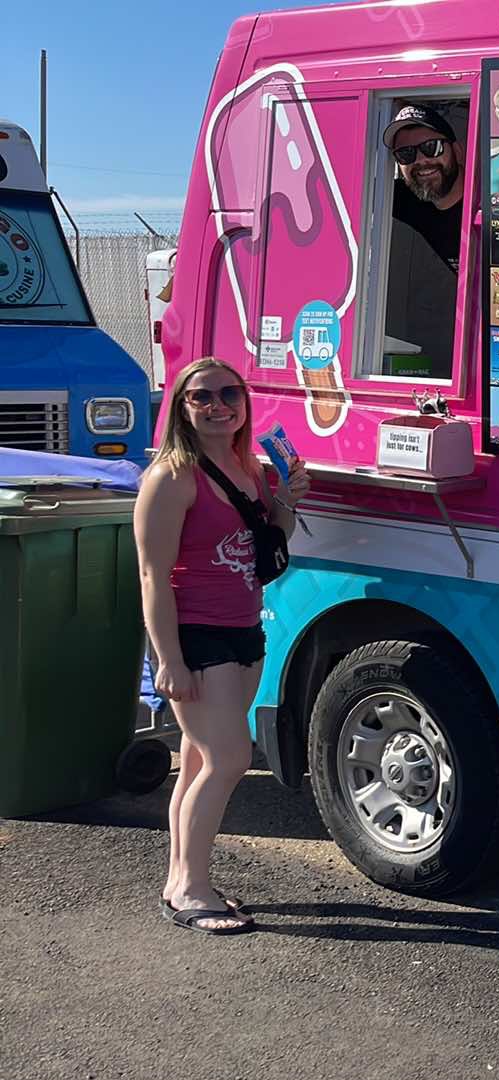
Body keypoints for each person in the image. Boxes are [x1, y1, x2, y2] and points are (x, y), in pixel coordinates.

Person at [134, 357, 310, 934]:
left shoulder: (248, 468)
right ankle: (190, 889)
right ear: (181, 408)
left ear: (244, 400)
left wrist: (287, 499)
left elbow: (266, 548)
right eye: (200, 397)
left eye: (228, 394)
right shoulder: (171, 477)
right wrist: (168, 660)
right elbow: (153, 576)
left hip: (242, 627)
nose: (217, 405)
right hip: (194, 632)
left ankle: (182, 879)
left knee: (201, 760)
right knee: (231, 756)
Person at [383, 103, 466, 272]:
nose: (420, 160)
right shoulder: (408, 200)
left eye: (432, 147)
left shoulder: (492, 202)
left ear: (457, 152)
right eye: (405, 154)